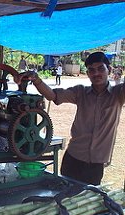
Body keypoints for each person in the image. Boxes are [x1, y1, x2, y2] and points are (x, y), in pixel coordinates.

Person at [25, 51, 125, 185]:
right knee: (64, 198)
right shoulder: (81, 92)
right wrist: (36, 80)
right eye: (91, 70)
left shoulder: (118, 94)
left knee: (87, 202)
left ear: (109, 69)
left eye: (101, 68)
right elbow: (53, 96)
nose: (96, 74)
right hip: (73, 159)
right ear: (88, 73)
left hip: (96, 165)